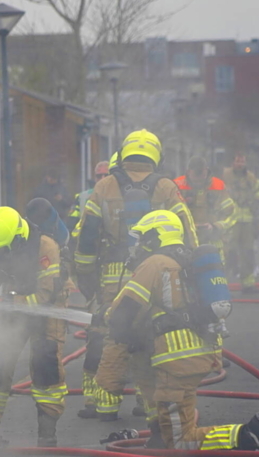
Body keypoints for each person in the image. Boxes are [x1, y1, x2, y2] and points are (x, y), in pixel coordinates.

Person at [94, 210, 259, 451]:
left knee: (181, 441)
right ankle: (159, 436)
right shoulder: (187, 260)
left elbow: (123, 311)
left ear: (156, 236)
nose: (137, 246)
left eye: (142, 238)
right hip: (193, 355)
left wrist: (104, 315)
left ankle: (246, 435)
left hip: (174, 359)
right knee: (168, 417)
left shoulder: (154, 264)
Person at [73, 129, 197, 421]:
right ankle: (147, 401)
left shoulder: (104, 187)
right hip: (155, 272)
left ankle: (100, 401)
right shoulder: (166, 187)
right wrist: (190, 270)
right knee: (150, 333)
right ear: (156, 156)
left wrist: (86, 277)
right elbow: (187, 231)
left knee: (108, 334)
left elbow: (86, 237)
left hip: (111, 277)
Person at [0, 207, 67, 447]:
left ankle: (47, 431)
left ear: (17, 242)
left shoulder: (46, 248)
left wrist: (5, 302)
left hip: (47, 306)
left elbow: (44, 295)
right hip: (10, 303)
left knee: (45, 361)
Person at [175, 156, 237, 254]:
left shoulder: (219, 186)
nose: (199, 183)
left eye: (201, 179)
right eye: (195, 180)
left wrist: (215, 227)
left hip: (214, 243)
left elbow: (231, 214)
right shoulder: (177, 186)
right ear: (188, 172)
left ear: (207, 171)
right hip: (185, 242)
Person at [222, 153, 259, 293]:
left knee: (248, 252)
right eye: (238, 161)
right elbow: (217, 191)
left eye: (242, 161)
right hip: (230, 221)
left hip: (247, 221)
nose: (240, 164)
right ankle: (222, 285)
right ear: (232, 162)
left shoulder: (250, 177)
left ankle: (248, 284)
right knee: (228, 252)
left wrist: (254, 202)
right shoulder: (225, 176)